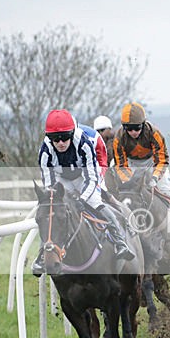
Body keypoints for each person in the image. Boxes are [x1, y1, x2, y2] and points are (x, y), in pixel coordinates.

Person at [33, 109, 135, 274]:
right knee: (51, 212)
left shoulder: (84, 143)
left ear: (72, 133)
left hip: (84, 177)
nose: (60, 143)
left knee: (95, 202)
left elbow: (92, 178)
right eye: (55, 139)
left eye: (64, 137)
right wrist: (56, 198)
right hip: (62, 179)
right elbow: (49, 182)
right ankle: (41, 256)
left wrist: (82, 199)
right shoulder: (45, 150)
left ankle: (119, 242)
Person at [112, 102, 170, 204]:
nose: (133, 132)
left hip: (152, 163)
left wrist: (155, 177)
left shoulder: (154, 133)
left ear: (143, 124)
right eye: (129, 128)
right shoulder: (119, 138)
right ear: (124, 127)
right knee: (123, 189)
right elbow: (121, 164)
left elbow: (162, 160)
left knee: (166, 187)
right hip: (131, 164)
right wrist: (130, 180)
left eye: (137, 128)